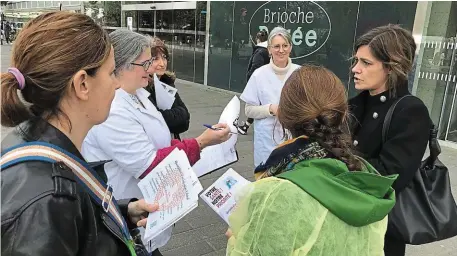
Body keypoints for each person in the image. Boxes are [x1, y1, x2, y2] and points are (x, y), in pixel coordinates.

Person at [1, 12, 158, 255]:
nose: (116, 84)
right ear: (82, 84)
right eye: (110, 73)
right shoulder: (46, 202)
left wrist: (122, 211)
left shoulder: (42, 144)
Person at [81, 29, 230, 255]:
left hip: (146, 209)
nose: (152, 67)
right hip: (127, 211)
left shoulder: (140, 93)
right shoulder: (113, 108)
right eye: (146, 62)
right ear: (123, 64)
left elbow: (161, 143)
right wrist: (200, 143)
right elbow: (148, 164)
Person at [226, 65, 397, 256]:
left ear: (283, 117)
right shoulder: (369, 181)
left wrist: (236, 238)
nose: (356, 68)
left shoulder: (276, 193)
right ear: (342, 116)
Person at [348, 24, 431, 256]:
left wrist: (336, 163)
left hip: (380, 233)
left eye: (366, 63)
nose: (355, 69)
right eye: (356, 61)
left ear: (392, 67)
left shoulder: (410, 111)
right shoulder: (353, 105)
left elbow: (389, 177)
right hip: (342, 222)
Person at [240, 26, 300, 168]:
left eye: (285, 45)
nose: (281, 50)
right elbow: (249, 110)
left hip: (293, 139)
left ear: (290, 47)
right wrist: (271, 109)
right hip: (266, 140)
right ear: (269, 49)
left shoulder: (300, 73)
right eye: (276, 46)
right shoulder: (259, 74)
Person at [145, 36, 190, 140]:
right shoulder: (142, 87)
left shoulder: (167, 82)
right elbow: (154, 121)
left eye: (164, 57)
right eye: (155, 59)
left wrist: (171, 116)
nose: (162, 63)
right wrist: (177, 114)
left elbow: (185, 120)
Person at [237, 29, 270, 135]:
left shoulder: (260, 52)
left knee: (254, 106)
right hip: (266, 82)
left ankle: (246, 127)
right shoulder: (268, 51)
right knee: (258, 105)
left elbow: (256, 67)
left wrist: (250, 81)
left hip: (259, 84)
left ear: (258, 39)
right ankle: (246, 126)